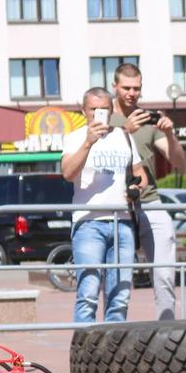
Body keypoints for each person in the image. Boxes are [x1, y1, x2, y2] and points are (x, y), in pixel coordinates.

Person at [107, 62, 186, 320]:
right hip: (115, 204)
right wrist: (124, 130)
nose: (132, 93)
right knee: (118, 278)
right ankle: (115, 328)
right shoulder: (105, 118)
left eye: (137, 88)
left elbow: (180, 163)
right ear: (114, 86)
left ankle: (167, 327)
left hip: (150, 202)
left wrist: (170, 134)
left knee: (164, 273)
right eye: (126, 88)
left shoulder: (148, 120)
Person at [60, 87, 145, 324]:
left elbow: (140, 174)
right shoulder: (75, 137)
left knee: (120, 296)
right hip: (89, 223)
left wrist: (137, 188)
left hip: (123, 222)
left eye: (105, 109)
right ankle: (83, 353)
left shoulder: (124, 136)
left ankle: (112, 354)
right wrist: (88, 143)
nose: (99, 114)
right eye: (94, 109)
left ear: (111, 109)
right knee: (88, 293)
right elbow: (67, 173)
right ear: (83, 110)